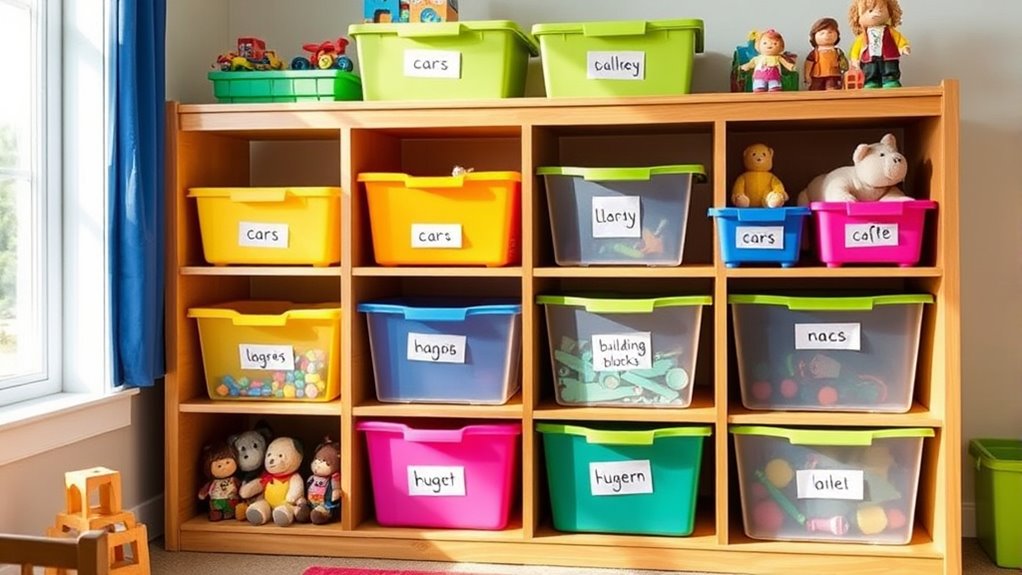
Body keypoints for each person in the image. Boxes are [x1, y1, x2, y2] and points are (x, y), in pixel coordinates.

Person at [848, 0, 910, 88]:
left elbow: (899, 39)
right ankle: (871, 81)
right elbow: (856, 48)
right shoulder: (863, 36)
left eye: (881, 10)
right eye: (870, 11)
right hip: (869, 58)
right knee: (870, 69)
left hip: (888, 55)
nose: (876, 13)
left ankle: (890, 80)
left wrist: (904, 47)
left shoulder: (891, 31)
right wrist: (854, 59)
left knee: (889, 67)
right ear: (858, 16)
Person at [804, 18, 849, 91]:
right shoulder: (815, 53)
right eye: (822, 33)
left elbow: (844, 64)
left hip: (833, 75)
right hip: (817, 76)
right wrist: (807, 75)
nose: (827, 35)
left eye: (830, 32)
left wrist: (845, 73)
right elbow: (809, 63)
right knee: (816, 90)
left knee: (832, 90)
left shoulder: (838, 52)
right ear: (814, 36)